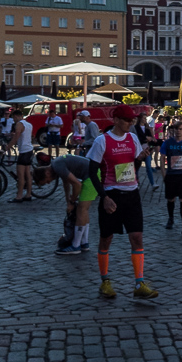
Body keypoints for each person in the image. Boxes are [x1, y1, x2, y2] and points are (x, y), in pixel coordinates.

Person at [87, 104, 157, 300]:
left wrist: (141, 158)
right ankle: (105, 281)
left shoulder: (132, 138)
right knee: (106, 239)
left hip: (132, 195)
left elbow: (133, 166)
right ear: (116, 120)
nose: (130, 123)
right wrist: (104, 197)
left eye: (132, 120)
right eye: (127, 120)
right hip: (112, 195)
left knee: (137, 238)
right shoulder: (102, 141)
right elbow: (92, 172)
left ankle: (139, 283)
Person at [35, 153, 97, 255]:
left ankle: (75, 246)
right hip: (92, 174)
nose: (49, 183)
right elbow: (66, 183)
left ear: (47, 173)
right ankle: (84, 243)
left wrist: (72, 201)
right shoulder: (57, 164)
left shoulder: (58, 167)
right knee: (83, 210)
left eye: (46, 181)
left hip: (91, 176)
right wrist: (68, 201)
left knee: (81, 210)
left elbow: (77, 184)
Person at [160, 121, 182, 234]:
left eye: (180, 129)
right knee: (171, 199)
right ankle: (171, 219)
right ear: (173, 130)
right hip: (171, 175)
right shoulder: (167, 143)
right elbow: (162, 158)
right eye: (176, 129)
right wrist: (164, 173)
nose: (178, 131)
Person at [7, 109, 34, 203]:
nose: (13, 120)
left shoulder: (19, 124)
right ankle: (28, 194)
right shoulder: (29, 124)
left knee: (21, 175)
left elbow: (16, 137)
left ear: (16, 116)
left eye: (14, 118)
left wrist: (8, 147)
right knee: (28, 175)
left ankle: (19, 196)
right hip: (29, 150)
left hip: (23, 151)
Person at [132, 112, 157, 190]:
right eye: (143, 118)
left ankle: (153, 183)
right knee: (137, 168)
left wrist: (151, 143)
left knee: (149, 167)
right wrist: (146, 138)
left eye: (145, 118)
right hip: (138, 150)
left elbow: (151, 138)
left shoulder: (147, 127)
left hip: (147, 149)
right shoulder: (135, 127)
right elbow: (137, 137)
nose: (144, 120)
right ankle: (136, 183)